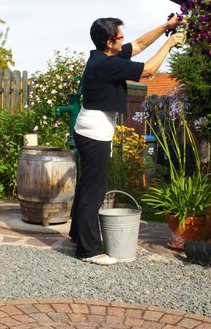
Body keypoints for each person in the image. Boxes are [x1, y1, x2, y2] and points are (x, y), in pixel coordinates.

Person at [69, 15, 184, 265]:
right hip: (94, 131)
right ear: (110, 42)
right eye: (120, 36)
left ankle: (77, 235)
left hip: (91, 127)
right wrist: (170, 43)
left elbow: (141, 44)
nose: (124, 39)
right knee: (94, 191)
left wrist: (166, 27)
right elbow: (150, 69)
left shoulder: (105, 57)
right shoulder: (106, 65)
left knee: (87, 185)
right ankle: (89, 250)